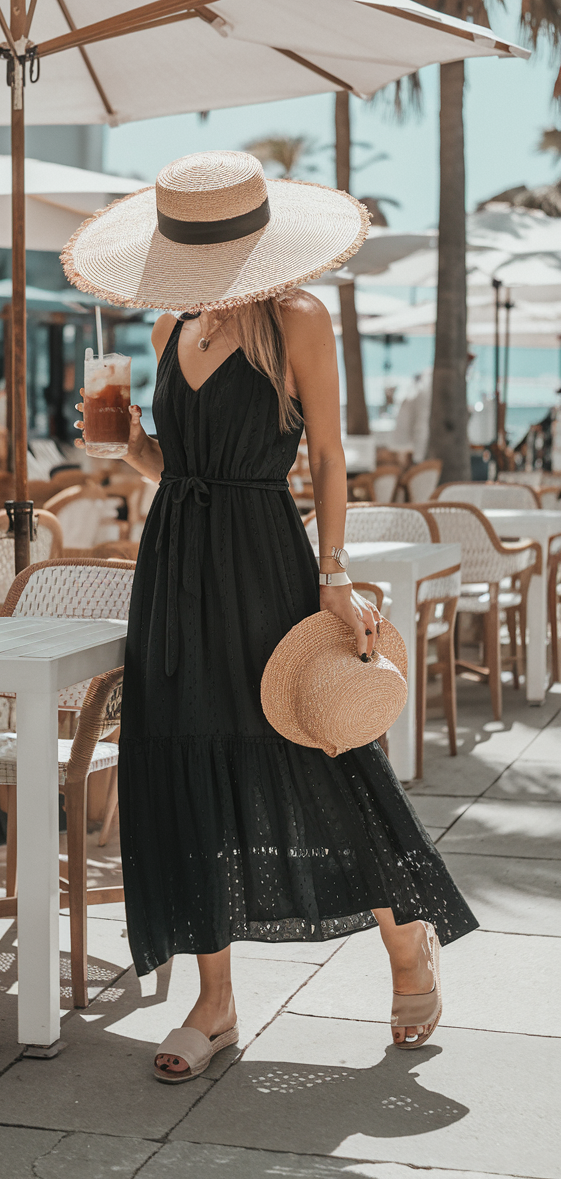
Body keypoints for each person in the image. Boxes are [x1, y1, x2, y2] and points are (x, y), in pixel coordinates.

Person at [65, 151, 477, 1083]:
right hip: (173, 564)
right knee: (179, 757)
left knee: (311, 747)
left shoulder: (299, 318)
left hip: (262, 556)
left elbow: (327, 458)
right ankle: (212, 1004)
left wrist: (335, 572)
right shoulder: (173, 326)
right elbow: (176, 468)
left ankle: (405, 936)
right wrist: (129, 442)